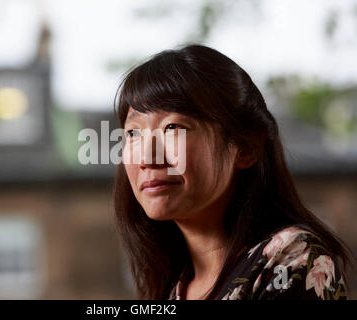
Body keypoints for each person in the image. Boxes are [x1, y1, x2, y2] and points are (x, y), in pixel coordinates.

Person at [112, 44, 352, 300]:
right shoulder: (174, 289)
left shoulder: (290, 261)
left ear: (245, 147)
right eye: (133, 133)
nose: (147, 158)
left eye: (173, 127)